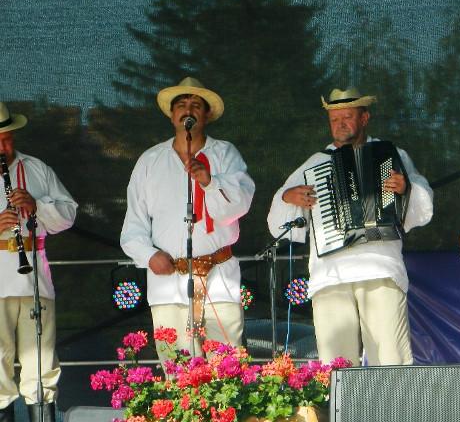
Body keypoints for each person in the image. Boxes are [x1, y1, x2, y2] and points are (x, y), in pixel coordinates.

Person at [267, 88, 433, 366]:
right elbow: (276, 222)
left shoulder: (390, 154)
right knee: (336, 365)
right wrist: (289, 197)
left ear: (364, 118)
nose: (340, 124)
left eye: (347, 117)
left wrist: (406, 189)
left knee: (390, 360)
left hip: (379, 267)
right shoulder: (316, 162)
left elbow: (424, 207)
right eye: (334, 119)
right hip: (330, 275)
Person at [120, 77, 255, 362]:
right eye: (181, 104)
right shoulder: (150, 160)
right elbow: (133, 226)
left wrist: (210, 182)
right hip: (169, 284)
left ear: (206, 115)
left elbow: (240, 205)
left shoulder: (225, 153)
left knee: (228, 367)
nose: (188, 109)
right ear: (172, 116)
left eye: (196, 105)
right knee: (177, 370)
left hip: (219, 280)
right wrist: (149, 255)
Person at [0, 102, 77, 422]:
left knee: (42, 361)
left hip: (35, 276)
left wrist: (38, 206)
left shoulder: (36, 169)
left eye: (7, 139)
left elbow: (68, 215)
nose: (3, 147)